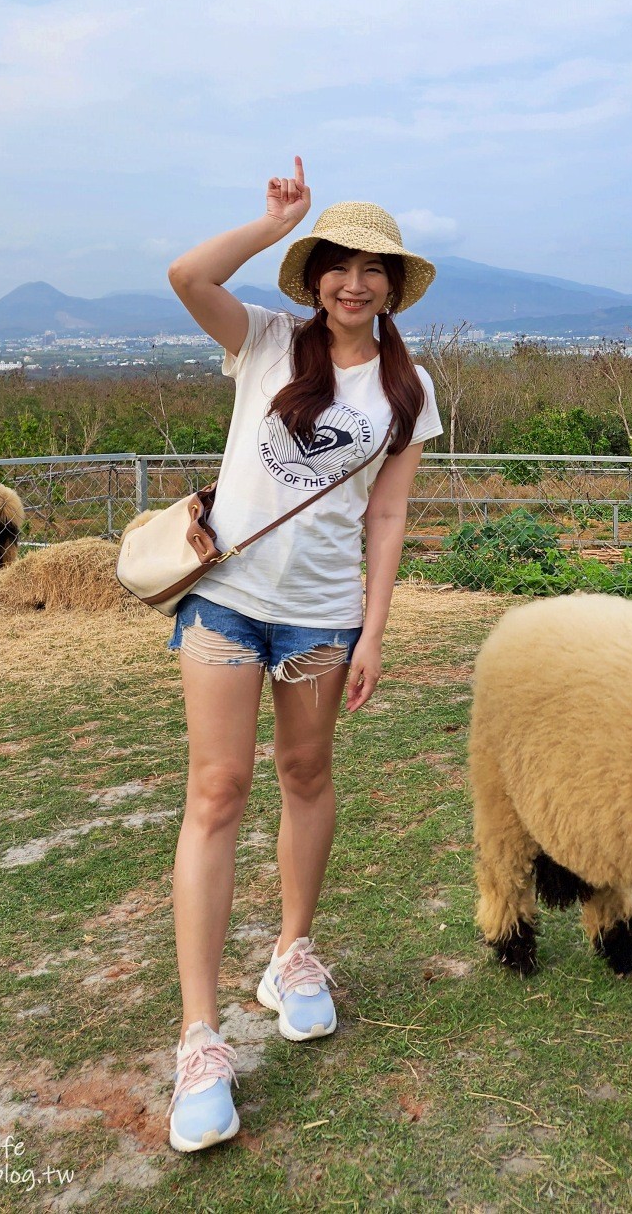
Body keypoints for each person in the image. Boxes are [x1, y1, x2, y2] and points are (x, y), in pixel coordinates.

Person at [162, 161, 442, 1153]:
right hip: (228, 604)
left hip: (322, 616)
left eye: (375, 269)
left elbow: (391, 512)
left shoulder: (407, 386)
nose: (354, 283)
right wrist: (269, 219)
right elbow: (187, 276)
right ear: (314, 274)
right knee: (218, 788)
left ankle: (291, 953)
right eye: (338, 264)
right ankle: (200, 1037)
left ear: (394, 286)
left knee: (307, 773)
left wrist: (375, 627)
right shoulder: (268, 341)